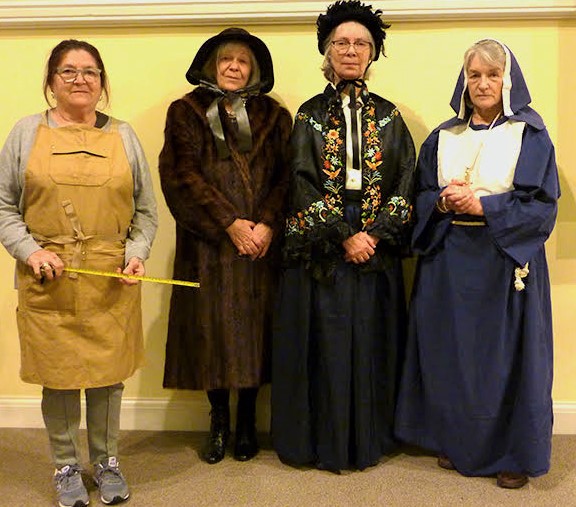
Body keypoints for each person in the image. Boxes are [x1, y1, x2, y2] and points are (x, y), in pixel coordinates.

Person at [395, 39, 559, 489]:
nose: (483, 83)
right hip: (449, 259)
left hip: (504, 260)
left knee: (504, 360)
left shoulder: (530, 135)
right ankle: (456, 439)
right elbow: (419, 197)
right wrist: (443, 202)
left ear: (508, 81)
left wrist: (484, 206)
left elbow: (541, 206)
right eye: (474, 75)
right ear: (464, 82)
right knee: (451, 353)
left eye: (492, 75)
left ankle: (512, 454)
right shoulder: (443, 137)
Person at [0, 40, 157, 506]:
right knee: (59, 376)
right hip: (48, 277)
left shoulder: (124, 135)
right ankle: (66, 465)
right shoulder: (25, 133)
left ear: (102, 81)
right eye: (68, 71)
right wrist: (30, 252)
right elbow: (5, 208)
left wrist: (136, 254)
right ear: (51, 81)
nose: (80, 79)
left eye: (90, 71)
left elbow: (146, 211)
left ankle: (107, 462)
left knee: (109, 377)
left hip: (111, 277)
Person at [272, 0, 415, 473]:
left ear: (372, 53)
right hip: (323, 244)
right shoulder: (308, 115)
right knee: (327, 342)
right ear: (327, 50)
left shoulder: (390, 117)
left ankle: (368, 441)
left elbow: (405, 180)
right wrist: (342, 236)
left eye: (361, 43)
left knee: (370, 339)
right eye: (342, 43)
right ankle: (323, 443)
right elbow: (301, 182)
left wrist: (374, 234)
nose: (351, 51)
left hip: (375, 240)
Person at [160, 28, 292, 464]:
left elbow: (287, 177)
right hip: (209, 246)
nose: (234, 67)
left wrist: (267, 224)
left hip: (261, 247)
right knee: (211, 333)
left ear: (255, 70)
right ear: (211, 65)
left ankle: (248, 421)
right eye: (226, 60)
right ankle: (218, 421)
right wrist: (229, 223)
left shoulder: (275, 117)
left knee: (255, 332)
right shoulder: (186, 112)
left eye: (242, 61)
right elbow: (181, 175)